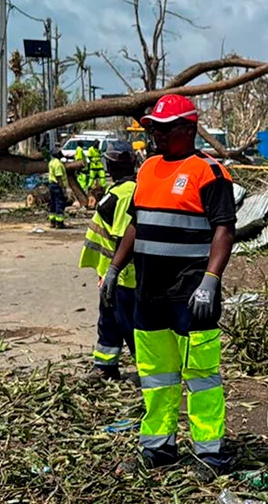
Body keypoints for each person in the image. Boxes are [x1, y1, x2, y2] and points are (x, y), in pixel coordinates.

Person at [106, 94, 237, 473]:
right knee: (157, 377)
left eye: (165, 129)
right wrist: (115, 268)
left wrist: (211, 281)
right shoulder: (147, 170)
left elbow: (224, 230)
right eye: (153, 129)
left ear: (189, 129)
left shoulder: (208, 172)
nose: (157, 136)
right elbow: (135, 225)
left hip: (190, 294)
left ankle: (211, 452)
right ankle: (159, 447)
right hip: (150, 295)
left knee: (201, 376)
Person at [80, 142, 139, 380]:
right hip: (112, 274)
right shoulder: (120, 191)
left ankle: (149, 371)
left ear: (109, 165)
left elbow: (123, 237)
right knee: (109, 321)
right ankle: (105, 366)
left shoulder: (125, 194)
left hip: (124, 277)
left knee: (129, 325)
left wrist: (113, 272)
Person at [46, 152, 68, 229]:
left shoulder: (51, 162)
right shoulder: (58, 164)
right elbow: (59, 177)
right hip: (57, 185)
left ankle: (52, 221)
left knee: (53, 202)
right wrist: (63, 189)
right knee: (60, 203)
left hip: (51, 184)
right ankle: (60, 222)